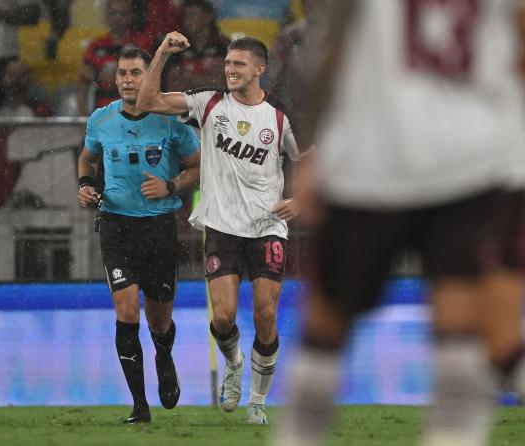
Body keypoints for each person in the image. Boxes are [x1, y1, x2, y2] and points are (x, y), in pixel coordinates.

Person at [277, 1, 525, 445]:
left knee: (326, 325)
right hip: (472, 160)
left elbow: (331, 42)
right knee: (462, 332)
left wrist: (316, 148)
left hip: (376, 156)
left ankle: (297, 435)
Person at [137, 32, 303, 424]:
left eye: (238, 65)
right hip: (222, 228)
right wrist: (161, 53)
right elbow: (147, 102)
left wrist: (299, 200)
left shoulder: (279, 118)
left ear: (259, 69)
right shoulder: (207, 103)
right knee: (224, 318)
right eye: (227, 64)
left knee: (265, 314)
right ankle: (234, 362)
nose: (229, 70)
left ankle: (258, 403)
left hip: (267, 228)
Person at [77, 47, 200, 423]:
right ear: (115, 80)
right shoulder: (101, 119)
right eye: (123, 74)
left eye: (136, 73)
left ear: (150, 77)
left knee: (158, 320)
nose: (129, 80)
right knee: (126, 310)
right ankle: (139, 406)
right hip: (116, 227)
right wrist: (84, 184)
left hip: (160, 228)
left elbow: (197, 167)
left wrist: (170, 185)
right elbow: (87, 158)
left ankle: (164, 355)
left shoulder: (171, 121)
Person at [76, 0, 153, 117]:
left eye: (123, 14)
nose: (118, 18)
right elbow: (83, 85)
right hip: (103, 116)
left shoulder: (142, 43)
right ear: (107, 15)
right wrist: (84, 123)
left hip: (136, 116)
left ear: (131, 16)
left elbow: (150, 79)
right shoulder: (96, 46)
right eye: (113, 13)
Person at [162, 0, 229, 92]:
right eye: (185, 16)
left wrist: (189, 79)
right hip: (184, 105)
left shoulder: (224, 45)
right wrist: (208, 79)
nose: (187, 21)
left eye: (192, 15)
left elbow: (225, 82)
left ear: (208, 17)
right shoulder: (177, 47)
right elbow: (171, 86)